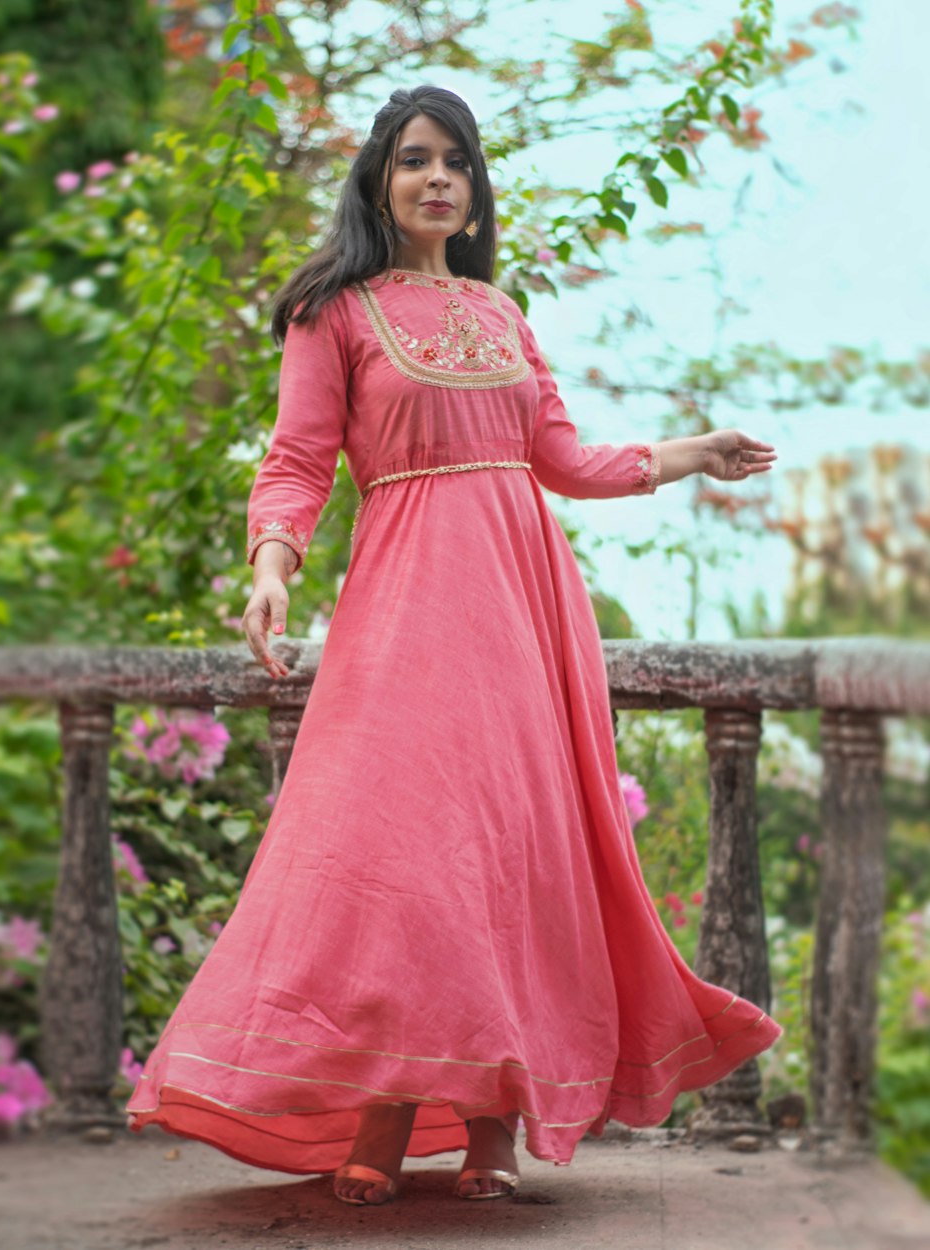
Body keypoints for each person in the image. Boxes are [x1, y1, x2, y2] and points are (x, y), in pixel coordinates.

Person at [126, 84, 781, 1207]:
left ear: (474, 187)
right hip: (405, 608)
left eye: (457, 163)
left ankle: (492, 1123)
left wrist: (689, 450)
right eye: (416, 159)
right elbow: (298, 458)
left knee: (508, 855)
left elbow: (565, 459)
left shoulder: (503, 312)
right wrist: (273, 567)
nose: (439, 179)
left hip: (524, 615)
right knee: (402, 861)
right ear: (379, 178)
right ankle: (379, 1107)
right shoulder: (330, 310)